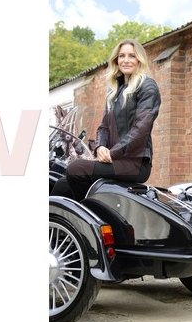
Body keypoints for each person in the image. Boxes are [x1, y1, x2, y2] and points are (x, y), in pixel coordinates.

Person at [52, 39, 161, 201]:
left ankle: (89, 213)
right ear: (116, 60)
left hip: (135, 163)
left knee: (76, 168)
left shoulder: (147, 87)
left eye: (131, 56)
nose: (126, 60)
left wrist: (112, 153)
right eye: (121, 56)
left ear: (139, 60)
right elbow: (103, 127)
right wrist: (100, 147)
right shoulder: (115, 90)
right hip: (114, 159)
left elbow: (140, 131)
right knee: (62, 184)